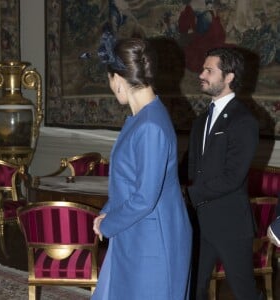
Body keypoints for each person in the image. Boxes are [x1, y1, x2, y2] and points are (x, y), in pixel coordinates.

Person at [92, 35, 192, 300]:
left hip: (153, 240)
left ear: (119, 79)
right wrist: (107, 213)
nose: (111, 86)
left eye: (110, 79)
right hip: (138, 230)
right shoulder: (143, 118)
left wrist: (108, 224)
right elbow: (130, 183)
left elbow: (145, 197)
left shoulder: (149, 125)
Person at [187, 47, 261, 299]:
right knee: (194, 287)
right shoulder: (200, 121)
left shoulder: (244, 121)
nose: (201, 74)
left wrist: (191, 194)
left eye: (209, 70)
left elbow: (233, 177)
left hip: (230, 223)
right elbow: (191, 168)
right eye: (203, 69)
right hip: (199, 221)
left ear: (229, 77)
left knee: (244, 293)